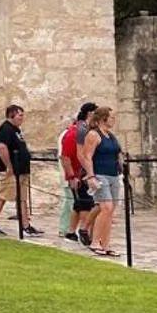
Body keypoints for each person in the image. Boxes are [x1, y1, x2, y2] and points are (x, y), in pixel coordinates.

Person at [79, 105, 124, 256]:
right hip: (100, 174)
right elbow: (87, 156)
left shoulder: (110, 136)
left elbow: (117, 153)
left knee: (110, 211)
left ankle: (106, 244)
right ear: (103, 118)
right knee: (105, 207)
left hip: (113, 175)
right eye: (111, 117)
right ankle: (95, 241)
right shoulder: (93, 135)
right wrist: (91, 176)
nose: (114, 120)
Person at [0, 104, 39, 236]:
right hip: (12, 171)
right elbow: (2, 148)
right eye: (20, 115)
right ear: (12, 115)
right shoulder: (6, 129)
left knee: (22, 198)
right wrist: (9, 166)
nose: (22, 118)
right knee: (3, 196)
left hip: (21, 170)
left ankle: (26, 226)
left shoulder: (16, 130)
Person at [59, 102, 97, 245]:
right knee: (86, 204)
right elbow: (65, 157)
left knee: (78, 204)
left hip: (82, 173)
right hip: (79, 174)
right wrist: (72, 176)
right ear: (90, 114)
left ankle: (70, 232)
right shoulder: (74, 133)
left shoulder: (84, 131)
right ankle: (84, 232)